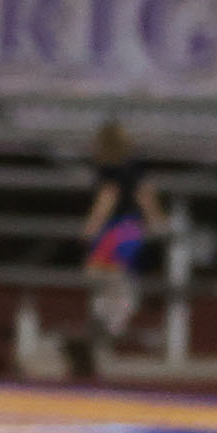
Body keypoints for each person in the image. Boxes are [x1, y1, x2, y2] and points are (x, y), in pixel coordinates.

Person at [76, 120, 168, 374]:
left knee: (106, 286)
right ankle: (104, 336)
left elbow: (109, 197)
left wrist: (91, 227)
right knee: (119, 287)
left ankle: (102, 336)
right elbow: (145, 196)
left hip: (116, 233)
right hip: (129, 232)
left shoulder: (110, 171)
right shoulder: (133, 169)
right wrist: (158, 221)